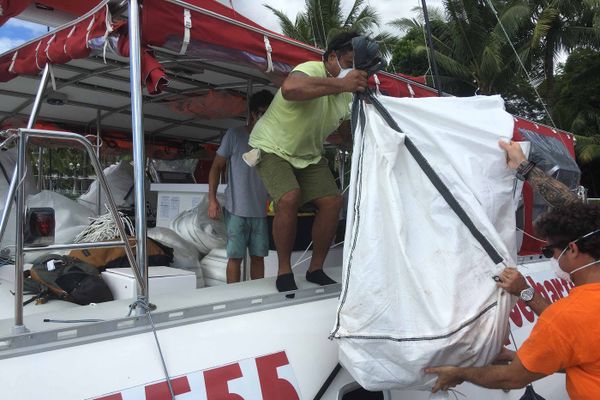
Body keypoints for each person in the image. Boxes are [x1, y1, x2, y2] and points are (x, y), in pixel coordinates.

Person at [248, 31, 368, 293]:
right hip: (271, 147)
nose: (351, 71)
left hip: (309, 154)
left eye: (356, 67)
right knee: (290, 197)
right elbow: (290, 89)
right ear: (332, 58)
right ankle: (283, 270)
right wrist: (343, 83)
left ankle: (315, 269)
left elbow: (346, 131)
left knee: (333, 202)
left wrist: (355, 139)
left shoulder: (347, 94)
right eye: (348, 64)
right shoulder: (311, 68)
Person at [497, 140, 579, 315]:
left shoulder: (584, 307)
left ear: (572, 250)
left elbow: (560, 325)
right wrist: (523, 166)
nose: (552, 259)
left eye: (549, 251)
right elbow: (574, 207)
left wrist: (524, 291)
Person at [208, 90, 274, 283]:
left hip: (261, 211)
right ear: (253, 113)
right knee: (235, 257)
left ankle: (257, 297)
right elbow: (215, 167)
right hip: (236, 209)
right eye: (263, 113)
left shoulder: (271, 140)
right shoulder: (234, 135)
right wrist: (212, 200)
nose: (266, 118)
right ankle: (232, 298)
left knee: (258, 257)